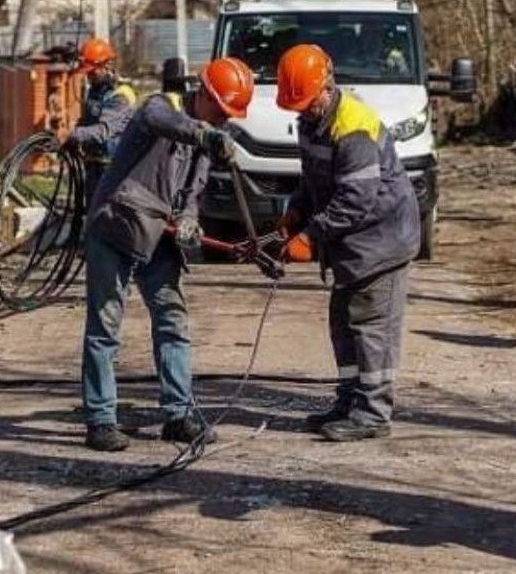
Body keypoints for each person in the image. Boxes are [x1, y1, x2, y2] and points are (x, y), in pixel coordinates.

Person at [81, 57, 255, 452]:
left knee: (173, 321)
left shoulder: (209, 136)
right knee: (105, 329)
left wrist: (191, 218)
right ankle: (101, 420)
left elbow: (194, 190)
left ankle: (178, 414)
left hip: (159, 237)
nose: (225, 120)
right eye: (222, 110)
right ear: (204, 94)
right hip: (115, 228)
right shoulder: (159, 108)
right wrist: (203, 134)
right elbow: (167, 123)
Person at [274, 43, 419, 442]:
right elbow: (314, 179)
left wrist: (311, 234)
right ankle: (349, 402)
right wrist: (297, 210)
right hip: (355, 241)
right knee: (343, 321)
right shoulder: (310, 121)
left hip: (383, 239)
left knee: (371, 326)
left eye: (306, 101)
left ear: (326, 86)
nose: (302, 109)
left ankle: (373, 413)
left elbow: (356, 200)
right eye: (296, 104)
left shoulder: (353, 126)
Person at [63, 37, 138, 208]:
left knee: (105, 219)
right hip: (94, 166)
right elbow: (87, 121)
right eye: (87, 72)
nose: (89, 77)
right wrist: (72, 139)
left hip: (114, 170)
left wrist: (72, 134)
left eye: (92, 72)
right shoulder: (94, 91)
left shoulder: (121, 95)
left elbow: (104, 131)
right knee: (90, 215)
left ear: (106, 66)